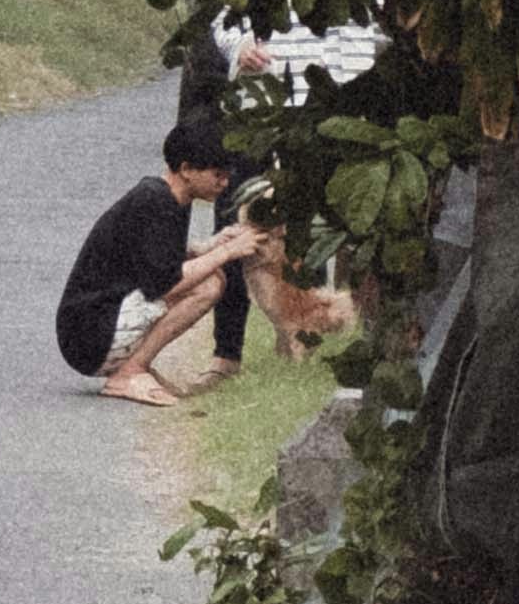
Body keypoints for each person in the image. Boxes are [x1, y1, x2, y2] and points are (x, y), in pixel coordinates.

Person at [55, 121, 347, 401]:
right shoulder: (156, 200)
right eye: (217, 175)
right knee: (208, 284)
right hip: (90, 336)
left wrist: (210, 246)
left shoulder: (169, 196)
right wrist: (227, 252)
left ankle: (133, 367)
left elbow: (151, 259)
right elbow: (166, 284)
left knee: (207, 275)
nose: (225, 183)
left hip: (97, 331)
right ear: (186, 170)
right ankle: (130, 372)